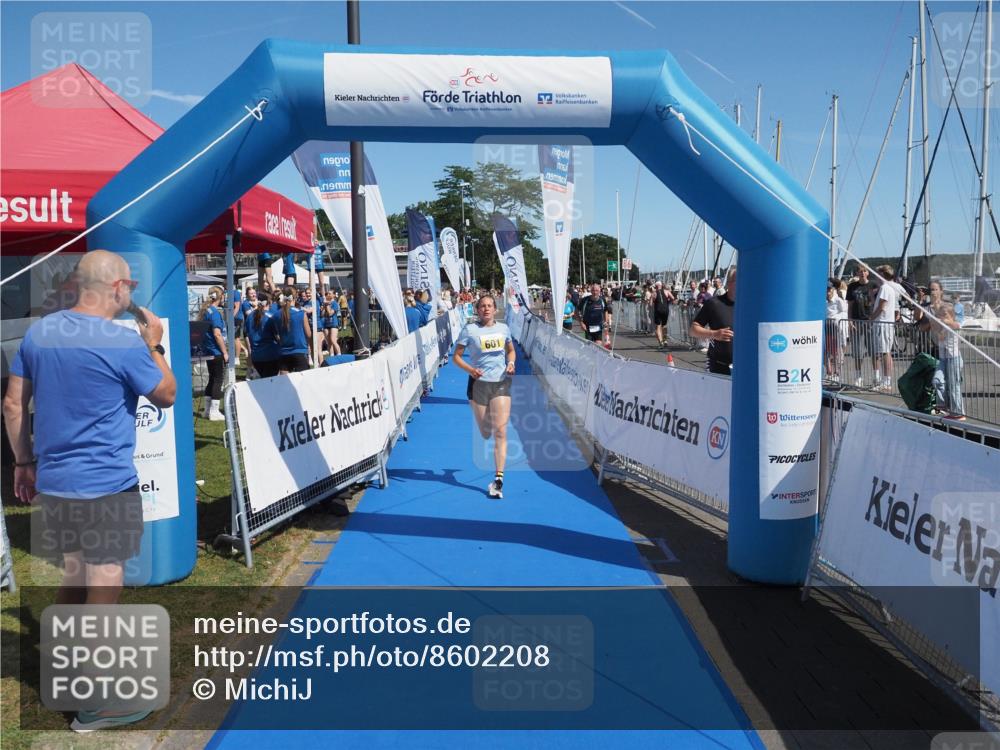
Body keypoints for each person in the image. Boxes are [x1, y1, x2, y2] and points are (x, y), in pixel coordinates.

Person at [3, 250, 176, 731]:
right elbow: (166, 394)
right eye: (131, 287)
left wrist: (23, 462)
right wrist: (154, 345)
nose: (132, 294)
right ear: (116, 287)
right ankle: (95, 703)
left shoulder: (40, 332)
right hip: (105, 485)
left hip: (56, 484)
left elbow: (13, 405)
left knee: (76, 577)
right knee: (104, 586)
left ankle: (63, 662)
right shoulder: (122, 343)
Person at [453, 295, 516, 499]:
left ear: (495, 309)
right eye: (482, 306)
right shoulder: (470, 330)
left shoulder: (504, 329)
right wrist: (471, 370)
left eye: (489, 306)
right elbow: (456, 357)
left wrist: (511, 363)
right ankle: (479, 412)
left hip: (500, 383)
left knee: (501, 431)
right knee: (486, 432)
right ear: (477, 310)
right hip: (478, 385)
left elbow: (511, 351)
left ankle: (498, 479)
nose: (486, 309)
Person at [917, 280, 965, 419]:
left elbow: (957, 325)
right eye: (940, 315)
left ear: (950, 315)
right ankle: (942, 408)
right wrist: (922, 302)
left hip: (954, 357)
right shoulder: (937, 321)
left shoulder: (952, 324)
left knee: (954, 385)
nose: (941, 317)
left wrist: (946, 321)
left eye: (944, 314)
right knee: (937, 381)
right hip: (943, 357)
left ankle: (958, 413)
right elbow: (924, 325)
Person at [690, 267, 736, 375]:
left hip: (748, 367)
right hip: (719, 367)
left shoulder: (753, 305)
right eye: (738, 280)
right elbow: (693, 330)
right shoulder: (714, 303)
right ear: (729, 283)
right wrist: (714, 334)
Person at [267, 287, 312, 373]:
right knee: (303, 380)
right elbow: (309, 334)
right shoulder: (301, 313)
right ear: (295, 297)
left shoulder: (276, 315)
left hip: (284, 352)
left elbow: (276, 334)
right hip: (300, 351)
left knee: (284, 381)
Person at [199, 286, 227, 421]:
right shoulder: (214, 312)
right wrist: (225, 352)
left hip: (208, 350)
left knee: (212, 378)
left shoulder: (206, 310)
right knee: (218, 379)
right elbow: (217, 334)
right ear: (220, 297)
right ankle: (214, 412)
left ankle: (207, 410)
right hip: (215, 350)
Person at [870, 265, 898, 392]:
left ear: (882, 275)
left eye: (878, 274)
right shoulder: (886, 288)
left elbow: (881, 307)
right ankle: (885, 380)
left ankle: (886, 381)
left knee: (885, 352)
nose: (876, 276)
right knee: (885, 352)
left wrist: (871, 318)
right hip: (883, 324)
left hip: (883, 324)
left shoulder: (885, 288)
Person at [846, 266, 874, 386]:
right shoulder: (852, 286)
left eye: (864, 271)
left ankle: (876, 377)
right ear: (857, 273)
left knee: (874, 351)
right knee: (857, 352)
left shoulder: (873, 285)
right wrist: (849, 321)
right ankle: (858, 377)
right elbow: (850, 305)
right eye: (860, 271)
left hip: (870, 322)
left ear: (868, 273)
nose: (862, 273)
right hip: (856, 322)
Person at [245, 292, 280, 378]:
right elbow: (278, 337)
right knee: (270, 382)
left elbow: (246, 335)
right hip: (270, 355)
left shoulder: (249, 316)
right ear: (268, 303)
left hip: (256, 356)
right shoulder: (270, 317)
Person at [825, 281, 848, 381]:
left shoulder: (838, 300)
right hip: (826, 326)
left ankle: (837, 373)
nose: (827, 292)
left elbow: (843, 312)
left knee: (836, 351)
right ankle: (829, 372)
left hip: (835, 327)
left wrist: (836, 320)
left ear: (833, 290)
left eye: (829, 290)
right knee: (826, 350)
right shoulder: (823, 300)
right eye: (826, 290)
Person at [652, 281, 674, 348]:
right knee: (664, 325)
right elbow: (673, 298)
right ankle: (665, 340)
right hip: (665, 310)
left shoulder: (654, 293)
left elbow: (650, 304)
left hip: (658, 310)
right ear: (661, 286)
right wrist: (667, 301)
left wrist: (653, 302)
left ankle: (661, 343)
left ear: (656, 286)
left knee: (658, 326)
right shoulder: (666, 291)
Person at [320, 290, 342, 357]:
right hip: (326, 324)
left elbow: (330, 313)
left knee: (333, 340)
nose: (328, 295)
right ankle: (331, 356)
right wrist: (324, 306)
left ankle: (339, 355)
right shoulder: (325, 303)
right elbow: (322, 314)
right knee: (329, 342)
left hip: (333, 324)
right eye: (327, 294)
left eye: (330, 294)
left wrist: (327, 305)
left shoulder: (335, 303)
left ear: (334, 295)